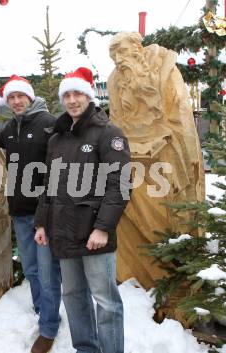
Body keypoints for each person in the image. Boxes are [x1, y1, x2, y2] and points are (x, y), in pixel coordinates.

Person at [34, 67, 130, 353]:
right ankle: (86, 348)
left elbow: (120, 185)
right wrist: (41, 224)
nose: (73, 100)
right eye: (67, 95)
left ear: (89, 96)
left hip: (93, 233)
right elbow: (49, 185)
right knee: (73, 294)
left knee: (105, 300)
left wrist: (102, 228)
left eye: (78, 94)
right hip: (64, 231)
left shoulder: (108, 133)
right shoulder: (57, 138)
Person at [107, 31, 205, 289]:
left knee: (166, 220)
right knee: (128, 216)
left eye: (122, 51)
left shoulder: (165, 69)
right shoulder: (114, 80)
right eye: (113, 54)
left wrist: (180, 154)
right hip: (132, 161)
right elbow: (115, 125)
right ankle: (135, 281)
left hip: (166, 156)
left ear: (137, 48)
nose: (118, 59)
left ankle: (173, 285)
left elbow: (180, 117)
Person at [0, 75, 61, 353]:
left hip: (44, 213)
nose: (16, 102)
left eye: (20, 96)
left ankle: (49, 326)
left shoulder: (48, 124)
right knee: (31, 268)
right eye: (11, 98)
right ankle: (41, 310)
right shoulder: (12, 127)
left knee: (48, 272)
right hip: (21, 212)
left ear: (29, 97)